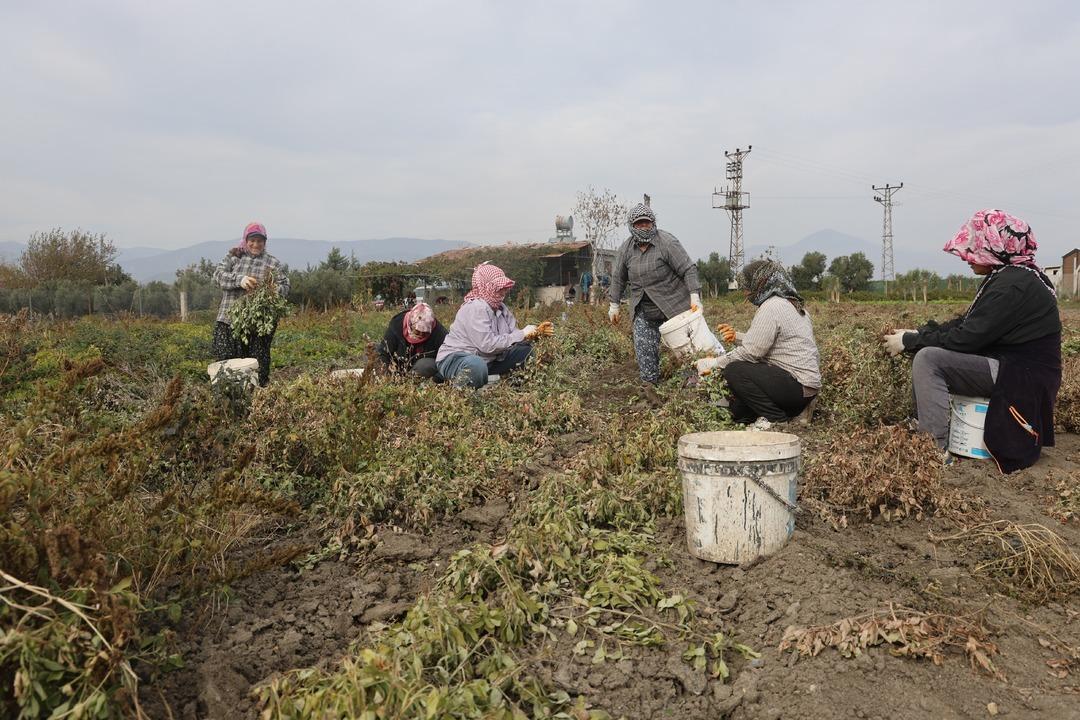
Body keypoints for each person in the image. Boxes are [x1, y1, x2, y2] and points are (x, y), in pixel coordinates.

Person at [881, 210, 1061, 472]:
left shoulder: (1012, 285)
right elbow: (968, 324)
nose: (966, 256)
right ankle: (923, 425)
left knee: (929, 359)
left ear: (995, 247)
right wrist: (918, 334)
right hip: (1012, 365)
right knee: (927, 349)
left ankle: (932, 450)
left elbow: (966, 339)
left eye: (974, 247)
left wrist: (913, 342)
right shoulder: (1011, 276)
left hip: (1022, 375)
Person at [695, 260, 821, 424]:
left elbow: (752, 352)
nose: (747, 293)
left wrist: (714, 363)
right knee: (738, 413)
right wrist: (737, 337)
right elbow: (766, 341)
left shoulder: (771, 306)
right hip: (806, 391)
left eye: (749, 286)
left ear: (762, 283)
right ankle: (790, 413)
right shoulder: (793, 304)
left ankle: (776, 420)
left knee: (735, 371)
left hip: (795, 388)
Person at [608, 203, 703, 384]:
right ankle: (650, 386)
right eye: (639, 224)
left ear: (653, 223)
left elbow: (688, 269)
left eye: (647, 223)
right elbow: (618, 278)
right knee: (644, 348)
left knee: (685, 349)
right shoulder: (626, 250)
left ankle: (694, 385)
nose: (644, 227)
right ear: (632, 226)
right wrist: (614, 305)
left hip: (674, 305)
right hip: (644, 308)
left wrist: (694, 296)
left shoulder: (666, 242)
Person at [436, 263, 546, 388]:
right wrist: (522, 334)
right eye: (499, 287)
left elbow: (514, 337)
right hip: (457, 358)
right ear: (487, 286)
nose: (504, 291)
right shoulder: (475, 307)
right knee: (476, 366)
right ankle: (459, 398)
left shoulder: (501, 308)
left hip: (488, 359)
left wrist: (533, 334)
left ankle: (515, 391)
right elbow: (487, 345)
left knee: (526, 351)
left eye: (504, 287)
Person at [212, 222, 290, 387]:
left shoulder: (272, 263)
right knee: (227, 361)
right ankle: (228, 400)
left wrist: (272, 289)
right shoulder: (234, 257)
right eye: (252, 240)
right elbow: (218, 276)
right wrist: (239, 280)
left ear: (264, 242)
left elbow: (285, 285)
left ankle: (256, 400)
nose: (256, 244)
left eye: (260, 241)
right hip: (228, 320)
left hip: (258, 324)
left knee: (257, 364)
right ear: (246, 240)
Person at [377, 302, 447, 379]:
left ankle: (412, 380)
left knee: (424, 366)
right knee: (373, 354)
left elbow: (448, 357)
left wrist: (437, 378)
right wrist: (386, 375)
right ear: (410, 324)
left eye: (424, 333)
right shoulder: (397, 323)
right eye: (417, 331)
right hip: (399, 362)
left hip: (422, 367)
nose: (420, 335)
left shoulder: (439, 332)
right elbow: (384, 351)